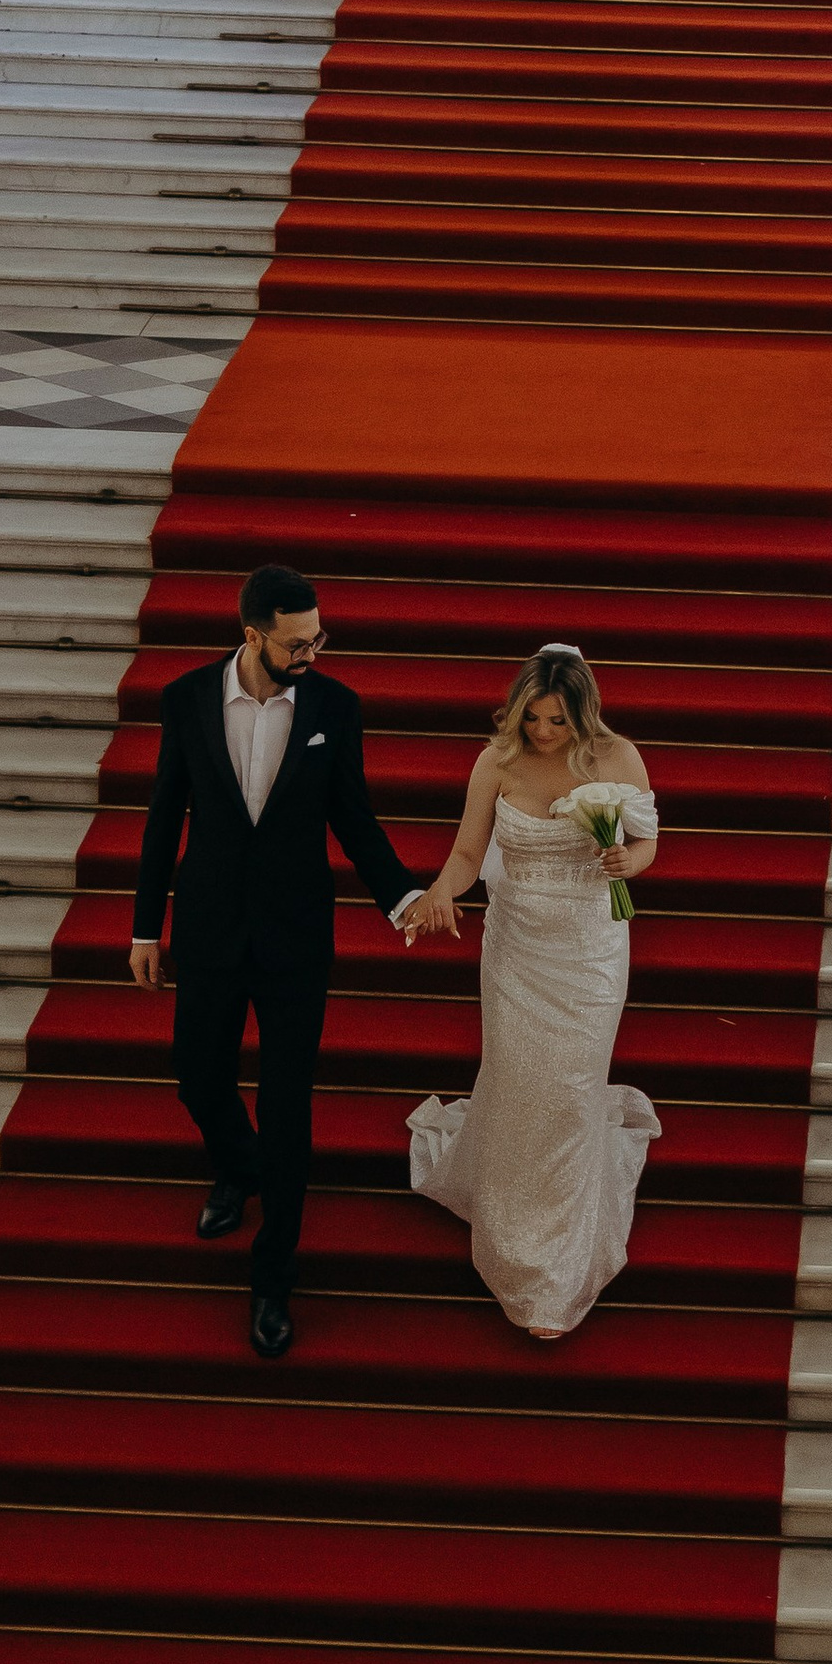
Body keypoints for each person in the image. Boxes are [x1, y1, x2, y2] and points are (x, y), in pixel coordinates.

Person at [128, 562, 452, 1361]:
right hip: (207, 929)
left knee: (289, 1106)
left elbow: (354, 815)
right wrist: (145, 928)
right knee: (196, 1076)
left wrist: (402, 898)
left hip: (296, 938)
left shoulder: (336, 708)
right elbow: (164, 815)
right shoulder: (186, 699)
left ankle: (273, 1277)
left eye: (319, 637)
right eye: (299, 641)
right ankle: (237, 1168)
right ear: (253, 635)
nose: (314, 651)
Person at [404, 644, 662, 1340]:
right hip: (516, 950)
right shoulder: (496, 762)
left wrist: (625, 859)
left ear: (583, 713)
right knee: (521, 1084)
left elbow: (647, 844)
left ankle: (558, 1260)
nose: (544, 732)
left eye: (557, 720)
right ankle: (512, 1231)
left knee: (572, 1090)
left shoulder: (619, 759)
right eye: (535, 717)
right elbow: (466, 855)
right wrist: (437, 892)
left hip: (590, 950)